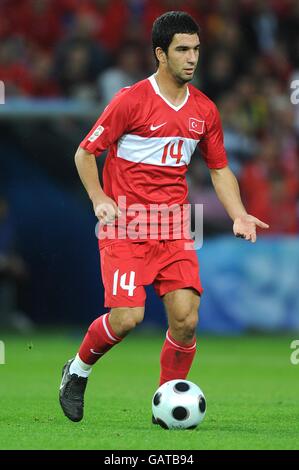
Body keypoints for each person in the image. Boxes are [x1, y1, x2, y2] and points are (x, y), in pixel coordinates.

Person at [59, 11, 269, 423]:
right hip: (125, 224)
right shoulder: (130, 100)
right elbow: (85, 153)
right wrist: (99, 196)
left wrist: (239, 214)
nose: (192, 58)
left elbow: (220, 168)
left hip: (174, 227)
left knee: (187, 321)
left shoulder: (204, 111)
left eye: (196, 49)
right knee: (127, 318)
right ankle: (77, 370)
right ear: (161, 54)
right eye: (182, 50)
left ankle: (167, 403)